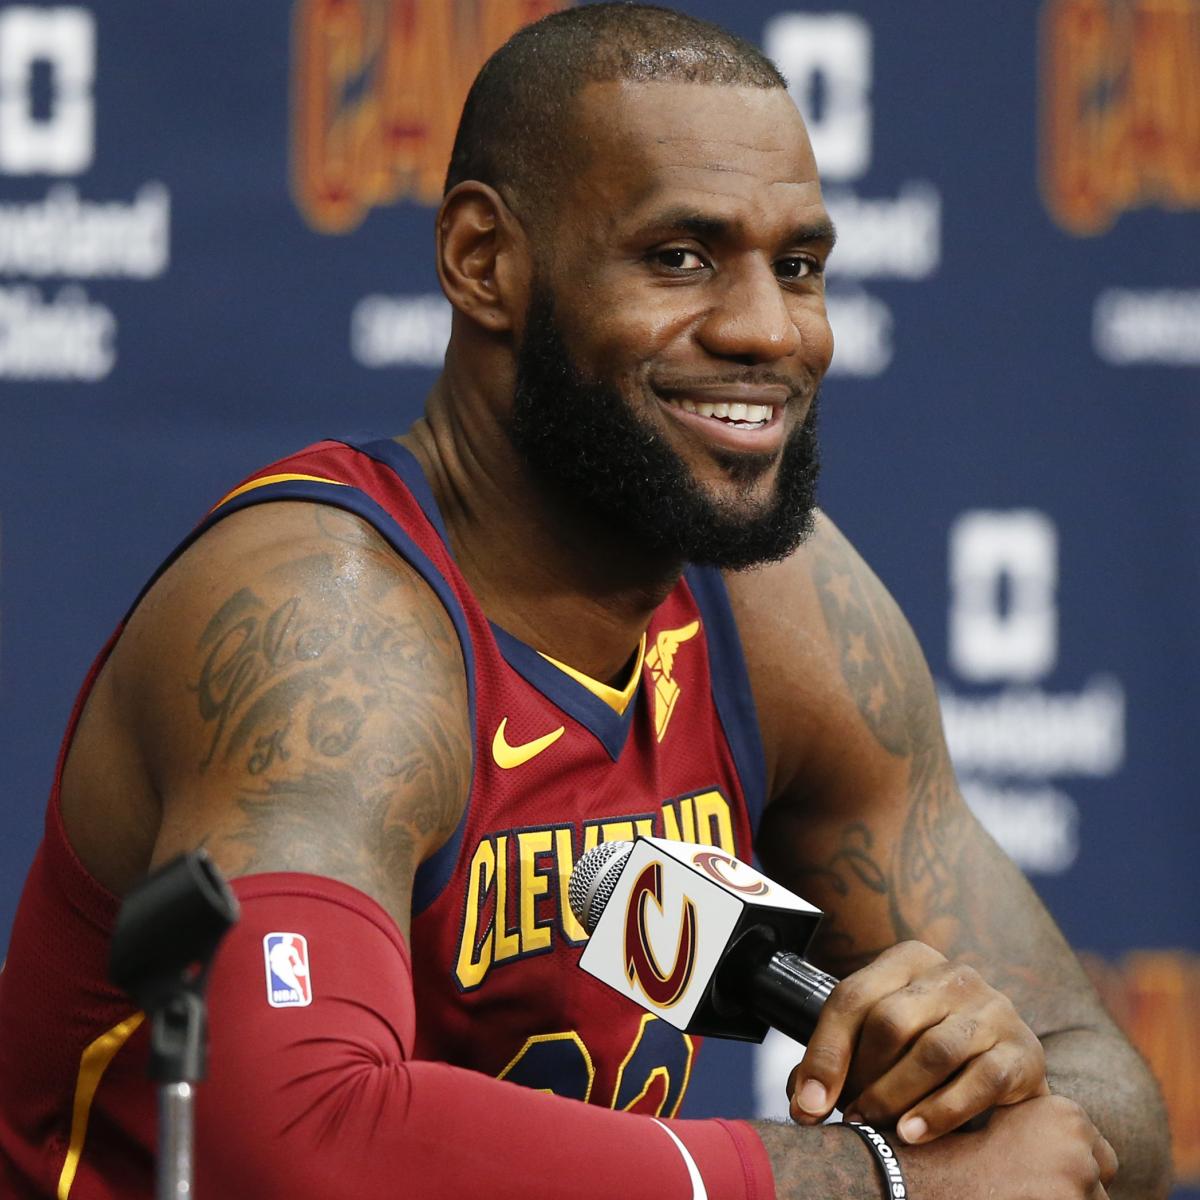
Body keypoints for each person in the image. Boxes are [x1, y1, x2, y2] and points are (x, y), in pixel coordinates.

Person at [0, 5, 1171, 1199]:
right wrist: (875, 1182)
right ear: (482, 262)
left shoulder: (780, 613)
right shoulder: (335, 628)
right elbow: (298, 1136)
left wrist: (983, 1083)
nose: (768, 329)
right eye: (680, 257)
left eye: (801, 266)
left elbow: (1109, 1105)